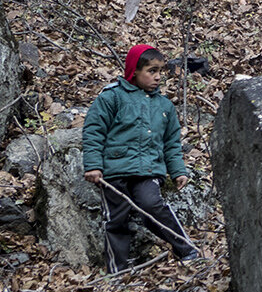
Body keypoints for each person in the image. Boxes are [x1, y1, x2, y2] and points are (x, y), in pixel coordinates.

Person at [82, 45, 198, 271]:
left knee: (152, 204)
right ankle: (118, 271)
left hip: (148, 170)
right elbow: (94, 131)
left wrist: (178, 170)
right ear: (134, 70)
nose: (157, 77)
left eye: (160, 71)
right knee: (116, 218)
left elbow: (171, 143)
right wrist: (94, 165)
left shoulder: (164, 105)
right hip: (114, 171)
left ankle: (187, 249)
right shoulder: (112, 97)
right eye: (151, 71)